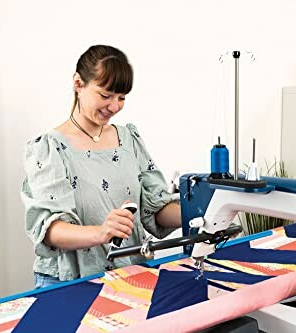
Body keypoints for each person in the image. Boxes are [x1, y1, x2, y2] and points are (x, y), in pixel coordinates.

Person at [21, 45, 182, 289]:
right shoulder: (50, 148)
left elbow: (155, 208)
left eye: (122, 97)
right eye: (105, 95)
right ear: (78, 83)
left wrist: (204, 212)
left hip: (130, 275)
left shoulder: (128, 139)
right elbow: (50, 230)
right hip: (68, 283)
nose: (114, 106)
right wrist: (102, 232)